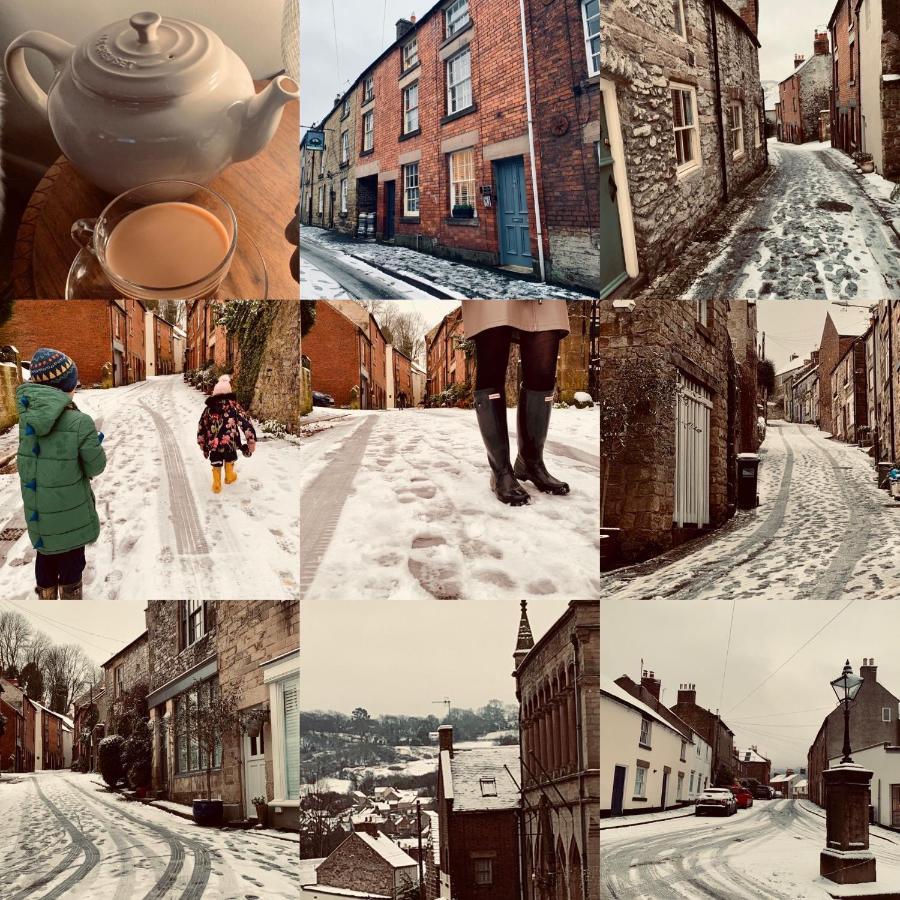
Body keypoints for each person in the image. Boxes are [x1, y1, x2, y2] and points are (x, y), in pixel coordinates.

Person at [16, 348, 106, 599]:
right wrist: (93, 444)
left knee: (45, 563)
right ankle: (70, 599)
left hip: (40, 516)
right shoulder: (80, 422)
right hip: (72, 516)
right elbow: (95, 466)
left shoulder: (28, 421)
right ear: (66, 386)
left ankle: (46, 597)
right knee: (71, 566)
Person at [461, 300, 571, 506]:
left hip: (541, 299)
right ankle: (500, 470)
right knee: (492, 362)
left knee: (543, 369)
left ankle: (531, 462)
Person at [197, 375, 257, 493]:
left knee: (216, 461)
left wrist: (202, 442)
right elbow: (245, 423)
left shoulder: (208, 409)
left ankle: (216, 482)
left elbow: (201, 426)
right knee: (230, 459)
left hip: (214, 444)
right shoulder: (234, 407)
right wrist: (251, 439)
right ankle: (229, 476)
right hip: (230, 443)